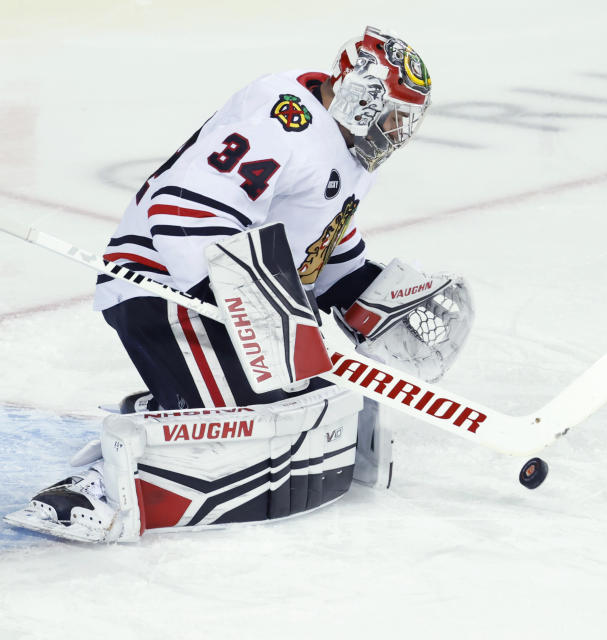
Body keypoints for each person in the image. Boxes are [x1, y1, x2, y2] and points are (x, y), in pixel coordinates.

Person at [5, 26, 473, 543]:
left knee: (303, 411)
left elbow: (320, 247)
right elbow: (183, 210)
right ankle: (93, 486)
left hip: (236, 293)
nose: (395, 131)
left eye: (405, 121)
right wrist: (234, 302)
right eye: (391, 114)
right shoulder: (282, 120)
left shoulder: (353, 149)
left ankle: (172, 411)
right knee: (249, 428)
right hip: (164, 286)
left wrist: (370, 294)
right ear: (361, 97)